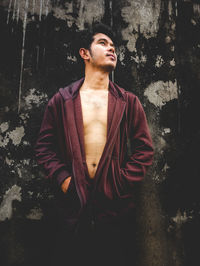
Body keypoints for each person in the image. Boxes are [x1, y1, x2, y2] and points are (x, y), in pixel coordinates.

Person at [34, 22, 154, 266]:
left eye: (113, 46)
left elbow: (144, 150)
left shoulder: (128, 102)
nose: (112, 49)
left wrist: (119, 182)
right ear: (84, 53)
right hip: (73, 206)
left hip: (115, 208)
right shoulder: (63, 100)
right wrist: (65, 181)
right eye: (103, 43)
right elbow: (44, 147)